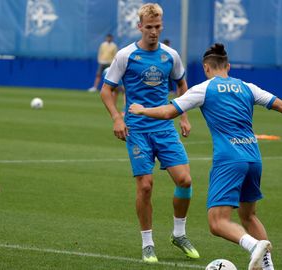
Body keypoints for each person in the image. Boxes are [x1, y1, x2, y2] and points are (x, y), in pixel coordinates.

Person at [129, 43, 282, 270]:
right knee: (249, 216)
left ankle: (253, 246)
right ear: (228, 66)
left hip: (229, 159)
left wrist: (142, 110)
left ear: (206, 67)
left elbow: (168, 112)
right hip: (254, 157)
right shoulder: (247, 87)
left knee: (217, 223)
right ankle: (268, 267)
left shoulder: (204, 89)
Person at [100, 3, 199, 263]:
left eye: (157, 27)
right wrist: (117, 118)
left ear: (161, 25)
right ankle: (147, 243)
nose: (153, 32)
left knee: (185, 180)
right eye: (149, 27)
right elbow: (106, 90)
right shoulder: (125, 55)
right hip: (137, 129)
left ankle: (179, 234)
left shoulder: (171, 56)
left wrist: (184, 116)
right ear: (139, 26)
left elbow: (181, 85)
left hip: (165, 128)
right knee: (145, 186)